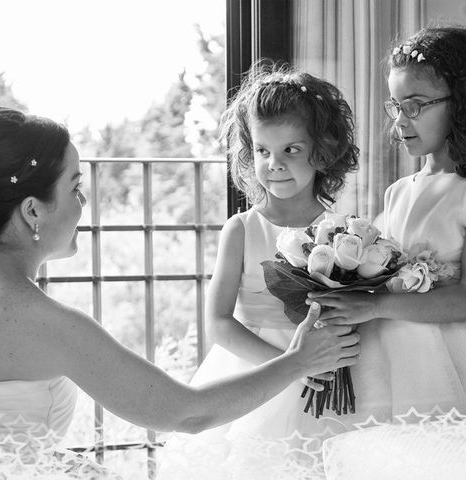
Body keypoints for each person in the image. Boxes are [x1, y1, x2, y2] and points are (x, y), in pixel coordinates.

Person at [0, 106, 360, 478]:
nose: (83, 202)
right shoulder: (48, 323)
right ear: (33, 210)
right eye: (75, 186)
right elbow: (185, 413)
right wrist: (299, 361)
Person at [312, 26, 466, 426]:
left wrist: (375, 304)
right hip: (395, 357)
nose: (400, 120)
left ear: (463, 104)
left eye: (415, 105)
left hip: (463, 359)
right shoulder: (397, 192)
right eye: (395, 105)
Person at [157, 62, 361, 478]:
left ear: (321, 151)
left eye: (292, 150)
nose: (275, 164)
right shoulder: (243, 229)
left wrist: (323, 359)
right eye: (263, 151)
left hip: (326, 377)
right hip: (255, 374)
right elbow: (218, 322)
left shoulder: (343, 233)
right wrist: (288, 366)